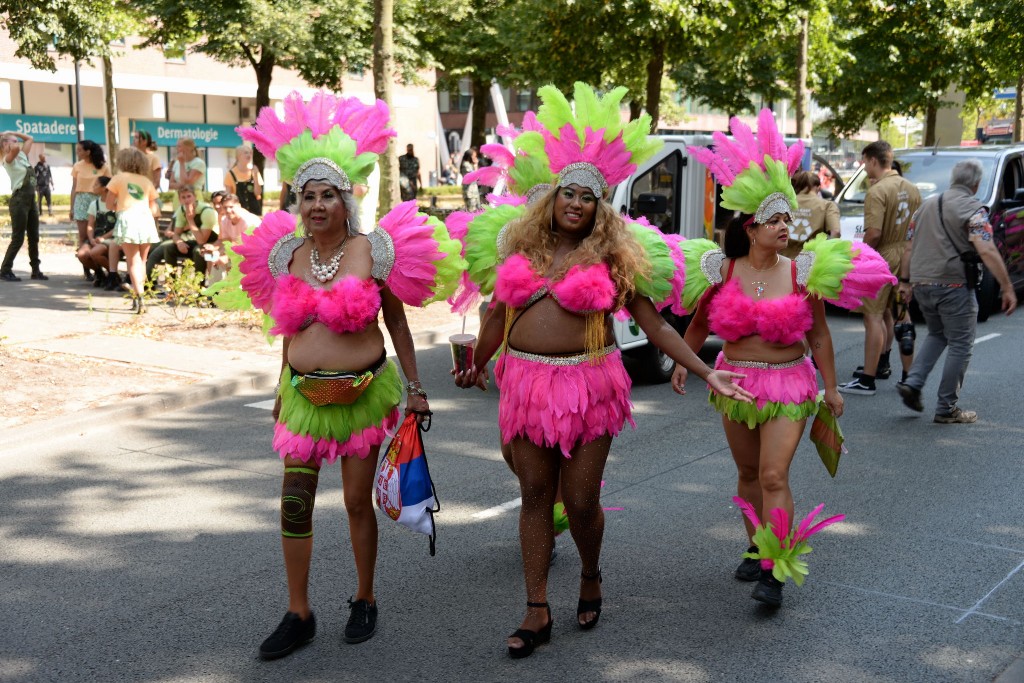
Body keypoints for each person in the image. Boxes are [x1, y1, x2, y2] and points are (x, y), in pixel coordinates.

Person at [454, 83, 753, 659]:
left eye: (588, 198)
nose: (576, 203)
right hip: (527, 385)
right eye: (568, 193)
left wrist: (705, 368)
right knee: (535, 494)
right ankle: (536, 607)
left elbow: (659, 326)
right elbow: (496, 315)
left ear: (600, 208)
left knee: (582, 499)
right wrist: (478, 361)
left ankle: (590, 572)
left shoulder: (614, 260)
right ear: (552, 199)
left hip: (590, 384)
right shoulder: (520, 250)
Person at [232, 90, 463, 660]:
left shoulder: (373, 251)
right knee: (294, 501)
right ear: (298, 201)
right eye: (307, 195)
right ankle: (298, 611)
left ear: (345, 200)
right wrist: (279, 389)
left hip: (362, 395)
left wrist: (415, 389)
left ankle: (364, 597)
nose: (316, 205)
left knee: (359, 502)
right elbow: (287, 332)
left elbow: (400, 328)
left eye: (327, 195)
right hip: (303, 397)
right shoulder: (287, 254)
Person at [677, 110, 895, 608]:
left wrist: (834, 387)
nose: (785, 226)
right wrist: (684, 364)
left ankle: (777, 566)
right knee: (748, 474)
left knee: (774, 475)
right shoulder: (721, 269)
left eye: (786, 219)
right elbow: (698, 324)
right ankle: (756, 546)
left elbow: (819, 335)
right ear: (750, 229)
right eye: (774, 220)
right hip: (734, 383)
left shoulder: (801, 272)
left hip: (789, 383)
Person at [895, 159, 1017, 422]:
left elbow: (908, 247)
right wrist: (1007, 287)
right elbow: (985, 248)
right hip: (954, 285)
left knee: (937, 335)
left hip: (922, 284)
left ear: (952, 180)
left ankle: (913, 382)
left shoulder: (925, 206)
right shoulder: (974, 210)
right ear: (975, 184)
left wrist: (904, 282)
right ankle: (947, 408)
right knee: (961, 344)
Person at [839, 141, 921, 396]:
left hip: (883, 256)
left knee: (872, 316)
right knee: (900, 316)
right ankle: (909, 377)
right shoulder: (912, 189)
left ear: (873, 160)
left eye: (864, 162)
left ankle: (867, 379)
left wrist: (861, 257)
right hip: (907, 255)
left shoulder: (877, 192)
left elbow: (874, 233)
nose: (864, 168)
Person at [106, 148, 160, 313]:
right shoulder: (146, 181)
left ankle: (139, 297)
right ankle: (139, 294)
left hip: (128, 219)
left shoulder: (118, 179)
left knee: (132, 261)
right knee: (142, 262)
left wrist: (120, 208)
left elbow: (108, 204)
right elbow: (153, 207)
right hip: (145, 219)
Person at [146, 186, 218, 281]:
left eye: (189, 196)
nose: (187, 200)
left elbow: (202, 241)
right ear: (180, 200)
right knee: (169, 248)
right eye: (183, 197)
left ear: (195, 197)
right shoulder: (181, 210)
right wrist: (179, 243)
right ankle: (172, 284)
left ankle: (199, 287)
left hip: (211, 243)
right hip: (192, 241)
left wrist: (190, 220)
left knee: (198, 251)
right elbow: (176, 234)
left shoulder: (206, 211)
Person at [1, 131, 45, 281]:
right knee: (18, 238)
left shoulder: (22, 156)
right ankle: (5, 270)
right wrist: (6, 140)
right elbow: (14, 149)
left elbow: (30, 138)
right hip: (19, 200)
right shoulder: (8, 159)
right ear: (5, 144)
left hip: (31, 200)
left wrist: (12, 133)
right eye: (13, 140)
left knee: (34, 237)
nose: (17, 142)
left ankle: (36, 270)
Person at [70, 139, 111, 267]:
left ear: (88, 152)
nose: (78, 153)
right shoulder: (77, 166)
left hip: (98, 202)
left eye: (80, 150)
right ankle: (87, 267)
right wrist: (71, 208)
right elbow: (74, 187)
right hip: (81, 201)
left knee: (97, 233)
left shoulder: (104, 167)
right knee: (83, 236)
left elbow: (109, 186)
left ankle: (100, 263)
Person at [203, 193, 260, 284]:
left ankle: (231, 291)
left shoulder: (248, 222)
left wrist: (227, 257)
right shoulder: (225, 220)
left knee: (225, 261)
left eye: (231, 207)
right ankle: (215, 293)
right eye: (225, 208)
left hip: (256, 256)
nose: (228, 210)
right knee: (215, 258)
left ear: (239, 206)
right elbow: (226, 242)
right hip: (238, 253)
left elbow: (250, 248)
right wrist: (216, 251)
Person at [782, 171, 839, 258]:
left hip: (784, 260)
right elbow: (836, 232)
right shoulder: (827, 205)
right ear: (818, 188)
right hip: (812, 262)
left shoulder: (784, 203)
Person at [76, 176, 119, 287]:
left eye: (96, 185)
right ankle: (100, 274)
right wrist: (91, 239)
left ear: (105, 188)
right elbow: (90, 225)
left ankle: (114, 275)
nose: (93, 187)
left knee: (95, 253)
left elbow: (118, 226)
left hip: (111, 238)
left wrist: (104, 238)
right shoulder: (94, 204)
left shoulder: (116, 204)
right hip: (96, 237)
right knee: (81, 254)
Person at [224, 144, 264, 215]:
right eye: (246, 153)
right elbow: (228, 196)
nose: (249, 155)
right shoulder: (230, 174)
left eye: (250, 153)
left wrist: (255, 177)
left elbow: (258, 193)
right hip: (238, 213)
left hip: (254, 212)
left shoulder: (254, 171)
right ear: (238, 156)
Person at [460, 147, 480, 211]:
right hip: (470, 192)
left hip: (473, 192)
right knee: (471, 211)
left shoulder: (469, 165)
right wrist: (476, 165)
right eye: (474, 156)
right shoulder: (466, 165)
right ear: (470, 156)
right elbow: (474, 175)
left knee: (476, 211)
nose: (475, 158)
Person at [34, 152, 54, 217]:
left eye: (45, 157)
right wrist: (35, 186)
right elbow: (34, 177)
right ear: (40, 158)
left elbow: (50, 176)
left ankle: (50, 212)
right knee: (39, 200)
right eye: (44, 157)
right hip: (40, 186)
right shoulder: (37, 167)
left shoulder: (47, 166)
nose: (45, 159)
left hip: (47, 186)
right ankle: (40, 212)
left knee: (49, 199)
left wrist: (52, 184)